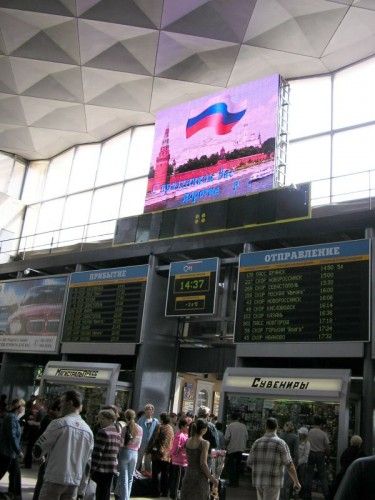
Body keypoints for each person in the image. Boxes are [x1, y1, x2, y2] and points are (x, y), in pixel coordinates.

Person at [33, 390, 94, 500]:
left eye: (62, 401)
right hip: (74, 483)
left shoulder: (58, 424)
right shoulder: (88, 431)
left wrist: (39, 456)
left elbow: (38, 449)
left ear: (70, 403)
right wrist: (82, 489)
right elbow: (87, 464)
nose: (60, 405)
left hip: (54, 479)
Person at [247, 417, 301, 500]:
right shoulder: (280, 443)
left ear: (266, 427)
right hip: (273, 481)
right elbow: (289, 465)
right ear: (277, 427)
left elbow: (249, 462)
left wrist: (261, 469)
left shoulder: (257, 442)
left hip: (259, 481)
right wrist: (296, 481)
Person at [180, 418, 219, 500]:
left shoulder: (188, 440)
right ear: (204, 430)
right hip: (200, 478)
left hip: (188, 475)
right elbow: (203, 464)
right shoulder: (204, 443)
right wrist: (212, 479)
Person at [33, 399, 62, 500]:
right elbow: (44, 438)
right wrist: (41, 454)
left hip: (46, 454)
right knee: (42, 482)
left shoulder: (50, 419)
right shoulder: (53, 421)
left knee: (41, 481)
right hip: (47, 455)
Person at [91, 409, 122, 500]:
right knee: (106, 492)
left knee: (98, 493)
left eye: (102, 418)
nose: (100, 421)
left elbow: (97, 453)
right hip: (111, 468)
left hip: (100, 468)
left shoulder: (103, 432)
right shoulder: (117, 433)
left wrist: (91, 470)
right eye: (99, 418)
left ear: (110, 419)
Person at [0, 398, 25, 500]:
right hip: (8, 452)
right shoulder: (11, 418)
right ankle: (14, 495)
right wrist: (18, 450)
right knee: (5, 472)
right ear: (19, 407)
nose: (24, 408)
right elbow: (12, 436)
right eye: (23, 406)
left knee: (15, 474)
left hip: (10, 452)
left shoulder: (13, 417)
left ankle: (14, 495)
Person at [117, 409, 143, 500]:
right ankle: (126, 497)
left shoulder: (124, 428)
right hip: (135, 453)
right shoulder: (140, 428)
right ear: (134, 416)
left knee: (124, 478)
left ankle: (124, 498)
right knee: (130, 478)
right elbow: (139, 445)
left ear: (125, 417)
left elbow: (121, 443)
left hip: (125, 452)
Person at [147, 412, 174, 497]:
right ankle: (165, 492)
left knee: (156, 474)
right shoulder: (170, 428)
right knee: (165, 474)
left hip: (158, 454)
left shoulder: (159, 426)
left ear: (162, 419)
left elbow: (154, 438)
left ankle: (155, 492)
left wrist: (148, 449)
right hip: (167, 454)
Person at [330, 435, 365, 499]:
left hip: (344, 474)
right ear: (360, 443)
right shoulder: (361, 453)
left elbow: (342, 460)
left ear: (351, 441)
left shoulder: (347, 451)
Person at [304, 415, 330, 500]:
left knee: (309, 475)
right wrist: (327, 455)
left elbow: (306, 443)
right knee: (322, 475)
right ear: (321, 424)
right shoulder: (323, 434)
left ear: (314, 422)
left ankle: (307, 495)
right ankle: (326, 494)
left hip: (310, 453)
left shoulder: (310, 432)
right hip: (320, 454)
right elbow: (327, 446)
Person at [224, 412, 248, 487]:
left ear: (231, 418)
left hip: (231, 449)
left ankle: (231, 482)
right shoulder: (244, 426)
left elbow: (227, 438)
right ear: (238, 418)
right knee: (238, 466)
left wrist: (225, 446)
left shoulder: (230, 426)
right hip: (241, 449)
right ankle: (236, 482)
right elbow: (247, 437)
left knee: (231, 466)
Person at [169, 417, 189, 500]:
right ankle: (174, 496)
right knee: (177, 480)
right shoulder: (179, 435)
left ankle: (177, 494)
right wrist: (182, 446)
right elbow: (176, 448)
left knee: (180, 480)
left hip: (182, 461)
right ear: (183, 426)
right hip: (178, 461)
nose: (187, 427)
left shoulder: (184, 435)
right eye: (186, 426)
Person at [136, 403, 159, 472]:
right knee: (138, 459)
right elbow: (136, 431)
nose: (149, 411)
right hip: (141, 442)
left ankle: (147, 475)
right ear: (145, 411)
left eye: (150, 410)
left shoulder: (156, 421)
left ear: (153, 411)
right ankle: (135, 472)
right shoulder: (141, 420)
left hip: (151, 444)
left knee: (148, 460)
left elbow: (157, 433)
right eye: (147, 410)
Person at [280, 421, 299, 500]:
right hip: (289, 462)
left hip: (280, 461)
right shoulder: (295, 437)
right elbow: (296, 453)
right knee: (287, 484)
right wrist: (296, 464)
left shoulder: (280, 436)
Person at [297, 427, 310, 499]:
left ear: (304, 434)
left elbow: (306, 456)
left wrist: (298, 462)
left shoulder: (307, 443)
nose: (299, 434)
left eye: (300, 433)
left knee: (302, 480)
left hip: (302, 465)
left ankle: (302, 495)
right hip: (296, 463)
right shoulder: (297, 441)